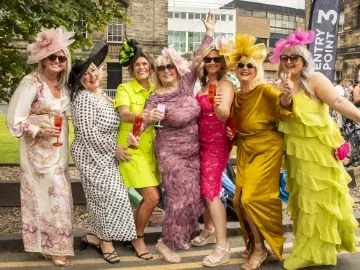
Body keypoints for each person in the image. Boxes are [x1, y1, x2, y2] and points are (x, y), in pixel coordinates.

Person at [128, 12, 216, 263]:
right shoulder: (156, 98)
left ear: (177, 69)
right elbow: (143, 121)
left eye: (170, 66)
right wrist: (136, 134)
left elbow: (199, 58)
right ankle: (166, 243)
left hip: (192, 150)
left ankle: (181, 236)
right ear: (157, 72)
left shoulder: (186, 84)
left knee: (192, 196)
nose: (166, 70)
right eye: (161, 68)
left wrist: (208, 33)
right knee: (177, 198)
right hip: (170, 152)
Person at [269, 28, 360, 269]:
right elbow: (280, 116)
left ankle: (313, 251)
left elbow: (338, 102)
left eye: (294, 57)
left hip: (320, 152)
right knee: (303, 201)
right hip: (297, 155)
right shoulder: (279, 85)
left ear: (303, 60)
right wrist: (285, 96)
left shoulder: (315, 80)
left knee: (319, 199)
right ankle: (307, 247)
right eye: (285, 58)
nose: (289, 62)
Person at [221, 34, 294, 270]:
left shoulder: (264, 90)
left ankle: (261, 248)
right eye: (240, 64)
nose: (244, 68)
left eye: (250, 65)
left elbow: (283, 107)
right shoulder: (237, 94)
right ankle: (254, 241)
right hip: (246, 149)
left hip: (267, 148)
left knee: (252, 198)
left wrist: (285, 95)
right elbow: (232, 122)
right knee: (239, 199)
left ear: (257, 69)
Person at [6, 26, 74, 267]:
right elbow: (15, 120)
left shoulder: (65, 85)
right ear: (43, 59)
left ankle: (51, 245)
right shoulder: (31, 82)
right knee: (50, 199)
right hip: (37, 153)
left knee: (58, 197)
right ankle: (54, 247)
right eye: (52, 57)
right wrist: (38, 127)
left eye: (61, 57)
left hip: (59, 150)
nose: (57, 61)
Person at [69, 42, 136, 264]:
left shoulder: (103, 95)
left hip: (106, 157)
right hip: (91, 156)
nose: (91, 76)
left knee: (113, 197)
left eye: (94, 70)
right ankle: (105, 243)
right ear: (79, 79)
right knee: (103, 199)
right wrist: (114, 149)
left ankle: (93, 237)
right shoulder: (84, 98)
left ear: (101, 71)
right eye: (86, 73)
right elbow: (89, 134)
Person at [115, 39, 163, 260]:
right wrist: (145, 115)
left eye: (145, 64)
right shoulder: (124, 88)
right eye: (137, 65)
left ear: (151, 68)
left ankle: (130, 232)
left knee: (150, 198)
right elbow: (125, 114)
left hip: (151, 151)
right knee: (152, 197)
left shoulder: (156, 90)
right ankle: (139, 238)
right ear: (132, 69)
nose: (142, 68)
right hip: (131, 149)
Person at [190, 42, 234, 267]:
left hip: (217, 144)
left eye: (217, 59)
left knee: (210, 190)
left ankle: (223, 245)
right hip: (200, 143)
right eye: (208, 59)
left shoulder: (226, 85)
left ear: (223, 63)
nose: (213, 63)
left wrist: (218, 107)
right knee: (203, 188)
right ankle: (208, 229)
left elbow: (224, 114)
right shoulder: (202, 87)